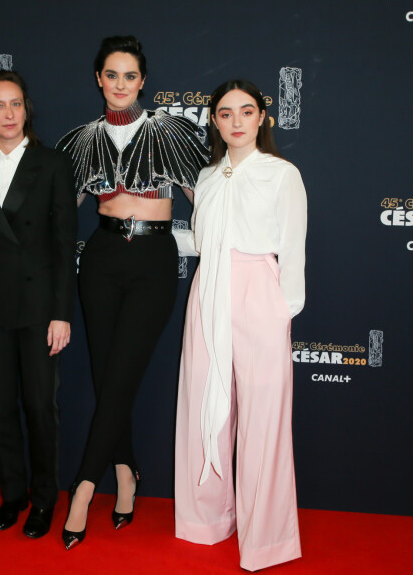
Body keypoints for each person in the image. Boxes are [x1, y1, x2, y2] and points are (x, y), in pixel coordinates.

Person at [56, 35, 209, 549]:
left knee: (120, 375)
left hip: (152, 261)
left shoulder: (173, 132)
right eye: (111, 75)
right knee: (107, 375)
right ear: (98, 79)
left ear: (142, 82)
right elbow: (56, 214)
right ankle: (125, 472)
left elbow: (205, 199)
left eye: (130, 76)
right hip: (99, 259)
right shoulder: (79, 140)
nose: (120, 84)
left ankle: (82, 488)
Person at [174, 80, 307, 571]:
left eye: (245, 111)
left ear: (261, 119)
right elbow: (206, 242)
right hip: (208, 292)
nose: (235, 121)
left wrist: (283, 308)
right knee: (203, 408)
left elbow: (293, 245)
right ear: (214, 121)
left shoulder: (281, 173)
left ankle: (267, 538)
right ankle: (206, 520)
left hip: (260, 293)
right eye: (225, 113)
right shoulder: (206, 177)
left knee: (263, 419)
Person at [0, 70, 77, 538]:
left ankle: (45, 499)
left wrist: (61, 313)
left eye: (15, 105)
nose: (8, 114)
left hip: (39, 307)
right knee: (0, 407)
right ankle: (13, 495)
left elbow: (65, 245)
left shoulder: (52, 164)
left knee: (39, 407)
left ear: (26, 109)